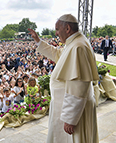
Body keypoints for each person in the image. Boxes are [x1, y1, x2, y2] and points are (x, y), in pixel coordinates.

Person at [28, 14, 99, 143]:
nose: (56, 33)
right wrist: (38, 41)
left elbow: (78, 85)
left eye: (57, 29)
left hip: (74, 112)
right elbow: (57, 54)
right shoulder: (74, 43)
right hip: (66, 107)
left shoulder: (78, 47)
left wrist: (70, 118)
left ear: (67, 28)